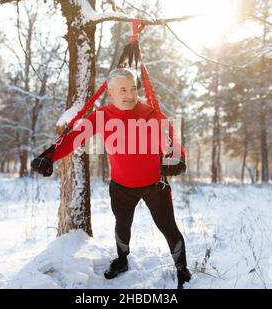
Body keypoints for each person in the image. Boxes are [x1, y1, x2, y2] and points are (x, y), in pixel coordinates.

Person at [31, 68, 191, 289]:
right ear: (111, 93)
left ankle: (183, 272)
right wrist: (48, 156)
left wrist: (176, 158)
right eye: (123, 90)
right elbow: (74, 137)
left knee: (168, 228)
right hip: (121, 188)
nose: (130, 94)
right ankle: (122, 260)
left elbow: (170, 138)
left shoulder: (149, 114)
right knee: (122, 225)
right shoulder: (102, 116)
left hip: (155, 186)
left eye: (134, 88)